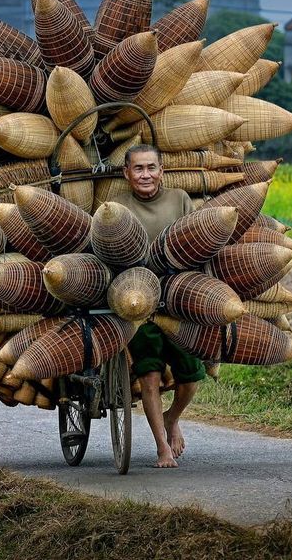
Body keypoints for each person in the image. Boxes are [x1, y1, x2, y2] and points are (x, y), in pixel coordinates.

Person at [115, 143, 204, 468]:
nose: (146, 175)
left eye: (151, 167)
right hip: (137, 305)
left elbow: (197, 241)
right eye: (138, 168)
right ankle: (162, 448)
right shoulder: (117, 206)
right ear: (127, 173)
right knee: (149, 377)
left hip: (176, 301)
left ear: (161, 171)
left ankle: (172, 417)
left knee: (190, 375)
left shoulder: (180, 199)